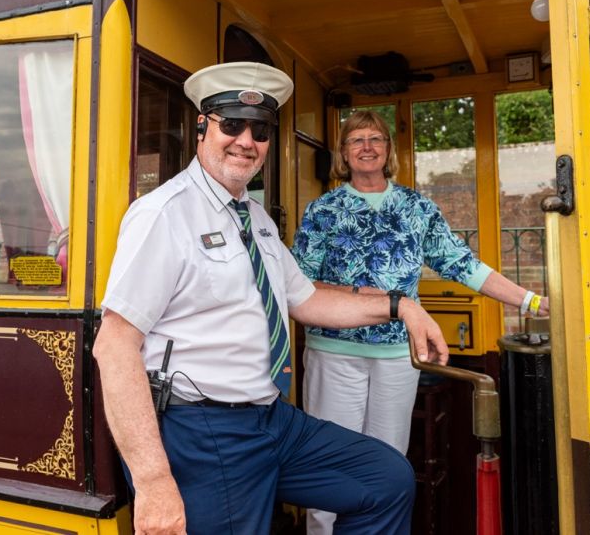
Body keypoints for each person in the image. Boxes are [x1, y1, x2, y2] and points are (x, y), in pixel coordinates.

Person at [93, 62, 449, 535]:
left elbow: (306, 300)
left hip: (270, 420)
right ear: (202, 127)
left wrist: (400, 305)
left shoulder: (255, 219)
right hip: (202, 427)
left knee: (384, 478)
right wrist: (154, 480)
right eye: (232, 124)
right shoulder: (164, 214)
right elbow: (113, 345)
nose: (245, 140)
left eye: (259, 129)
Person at [292, 109, 550, 534]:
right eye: (356, 140)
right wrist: (367, 296)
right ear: (343, 153)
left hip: (399, 357)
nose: (367, 147)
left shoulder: (416, 207)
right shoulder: (323, 209)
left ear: (389, 150)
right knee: (329, 465)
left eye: (375, 139)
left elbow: (462, 264)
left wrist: (529, 300)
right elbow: (298, 281)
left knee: (389, 462)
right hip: (334, 353)